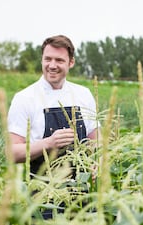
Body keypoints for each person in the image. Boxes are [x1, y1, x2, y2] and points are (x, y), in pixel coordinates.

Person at [7, 34, 99, 175]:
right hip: (41, 189)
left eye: (59, 60)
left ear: (71, 62)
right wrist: (48, 143)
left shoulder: (83, 94)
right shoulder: (24, 98)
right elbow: (12, 153)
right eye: (48, 59)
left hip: (82, 189)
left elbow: (97, 141)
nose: (52, 65)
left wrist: (99, 161)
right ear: (42, 60)